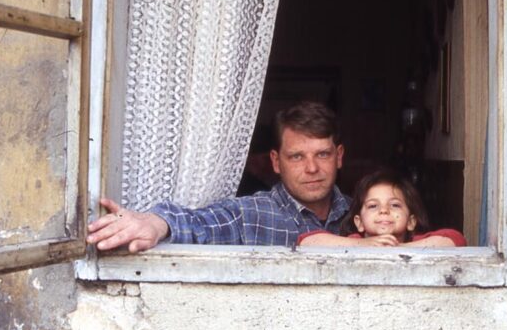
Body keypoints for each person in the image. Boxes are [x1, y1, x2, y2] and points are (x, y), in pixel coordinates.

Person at [87, 101, 351, 252]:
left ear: (339, 156)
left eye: (322, 154)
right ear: (276, 161)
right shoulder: (250, 214)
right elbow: (199, 223)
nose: (312, 168)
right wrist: (155, 223)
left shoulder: (361, 211)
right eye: (296, 157)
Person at [297, 168, 466, 247]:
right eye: (373, 206)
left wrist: (398, 249)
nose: (384, 210)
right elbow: (307, 242)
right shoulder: (355, 241)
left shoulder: (416, 242)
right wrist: (363, 245)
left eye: (395, 205)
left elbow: (455, 239)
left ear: (411, 222)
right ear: (359, 222)